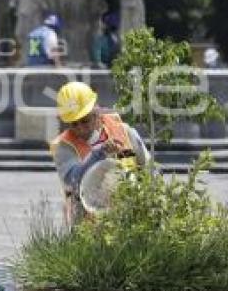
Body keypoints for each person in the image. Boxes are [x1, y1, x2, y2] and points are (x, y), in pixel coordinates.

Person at [50, 81, 152, 225]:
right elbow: (73, 180)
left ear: (96, 111)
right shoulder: (64, 147)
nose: (80, 128)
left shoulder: (123, 131)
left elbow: (149, 168)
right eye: (74, 124)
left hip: (132, 220)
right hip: (89, 228)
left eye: (85, 121)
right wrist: (99, 153)